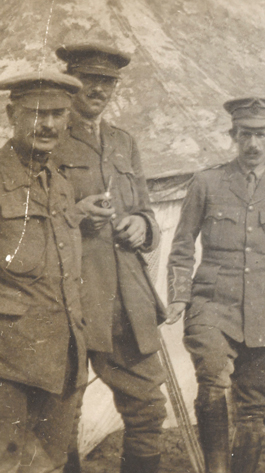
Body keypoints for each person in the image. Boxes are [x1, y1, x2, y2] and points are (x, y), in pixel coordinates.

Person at [166, 97, 265, 473]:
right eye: (245, 134)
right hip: (212, 303)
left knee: (254, 403)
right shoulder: (207, 182)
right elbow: (182, 245)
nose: (253, 144)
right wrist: (179, 296)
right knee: (213, 380)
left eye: (261, 135)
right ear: (233, 134)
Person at [53, 44, 167, 473]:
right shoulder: (49, 138)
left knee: (148, 409)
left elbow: (147, 212)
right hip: (69, 297)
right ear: (71, 81)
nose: (98, 89)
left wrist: (143, 226)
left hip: (126, 302)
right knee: (62, 415)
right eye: (89, 79)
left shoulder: (123, 142)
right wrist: (74, 215)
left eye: (107, 82)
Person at [0, 71, 92, 472]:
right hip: (8, 365)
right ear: (10, 114)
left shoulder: (60, 185)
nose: (49, 124)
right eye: (37, 113)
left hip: (62, 360)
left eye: (58, 114)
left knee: (48, 465)